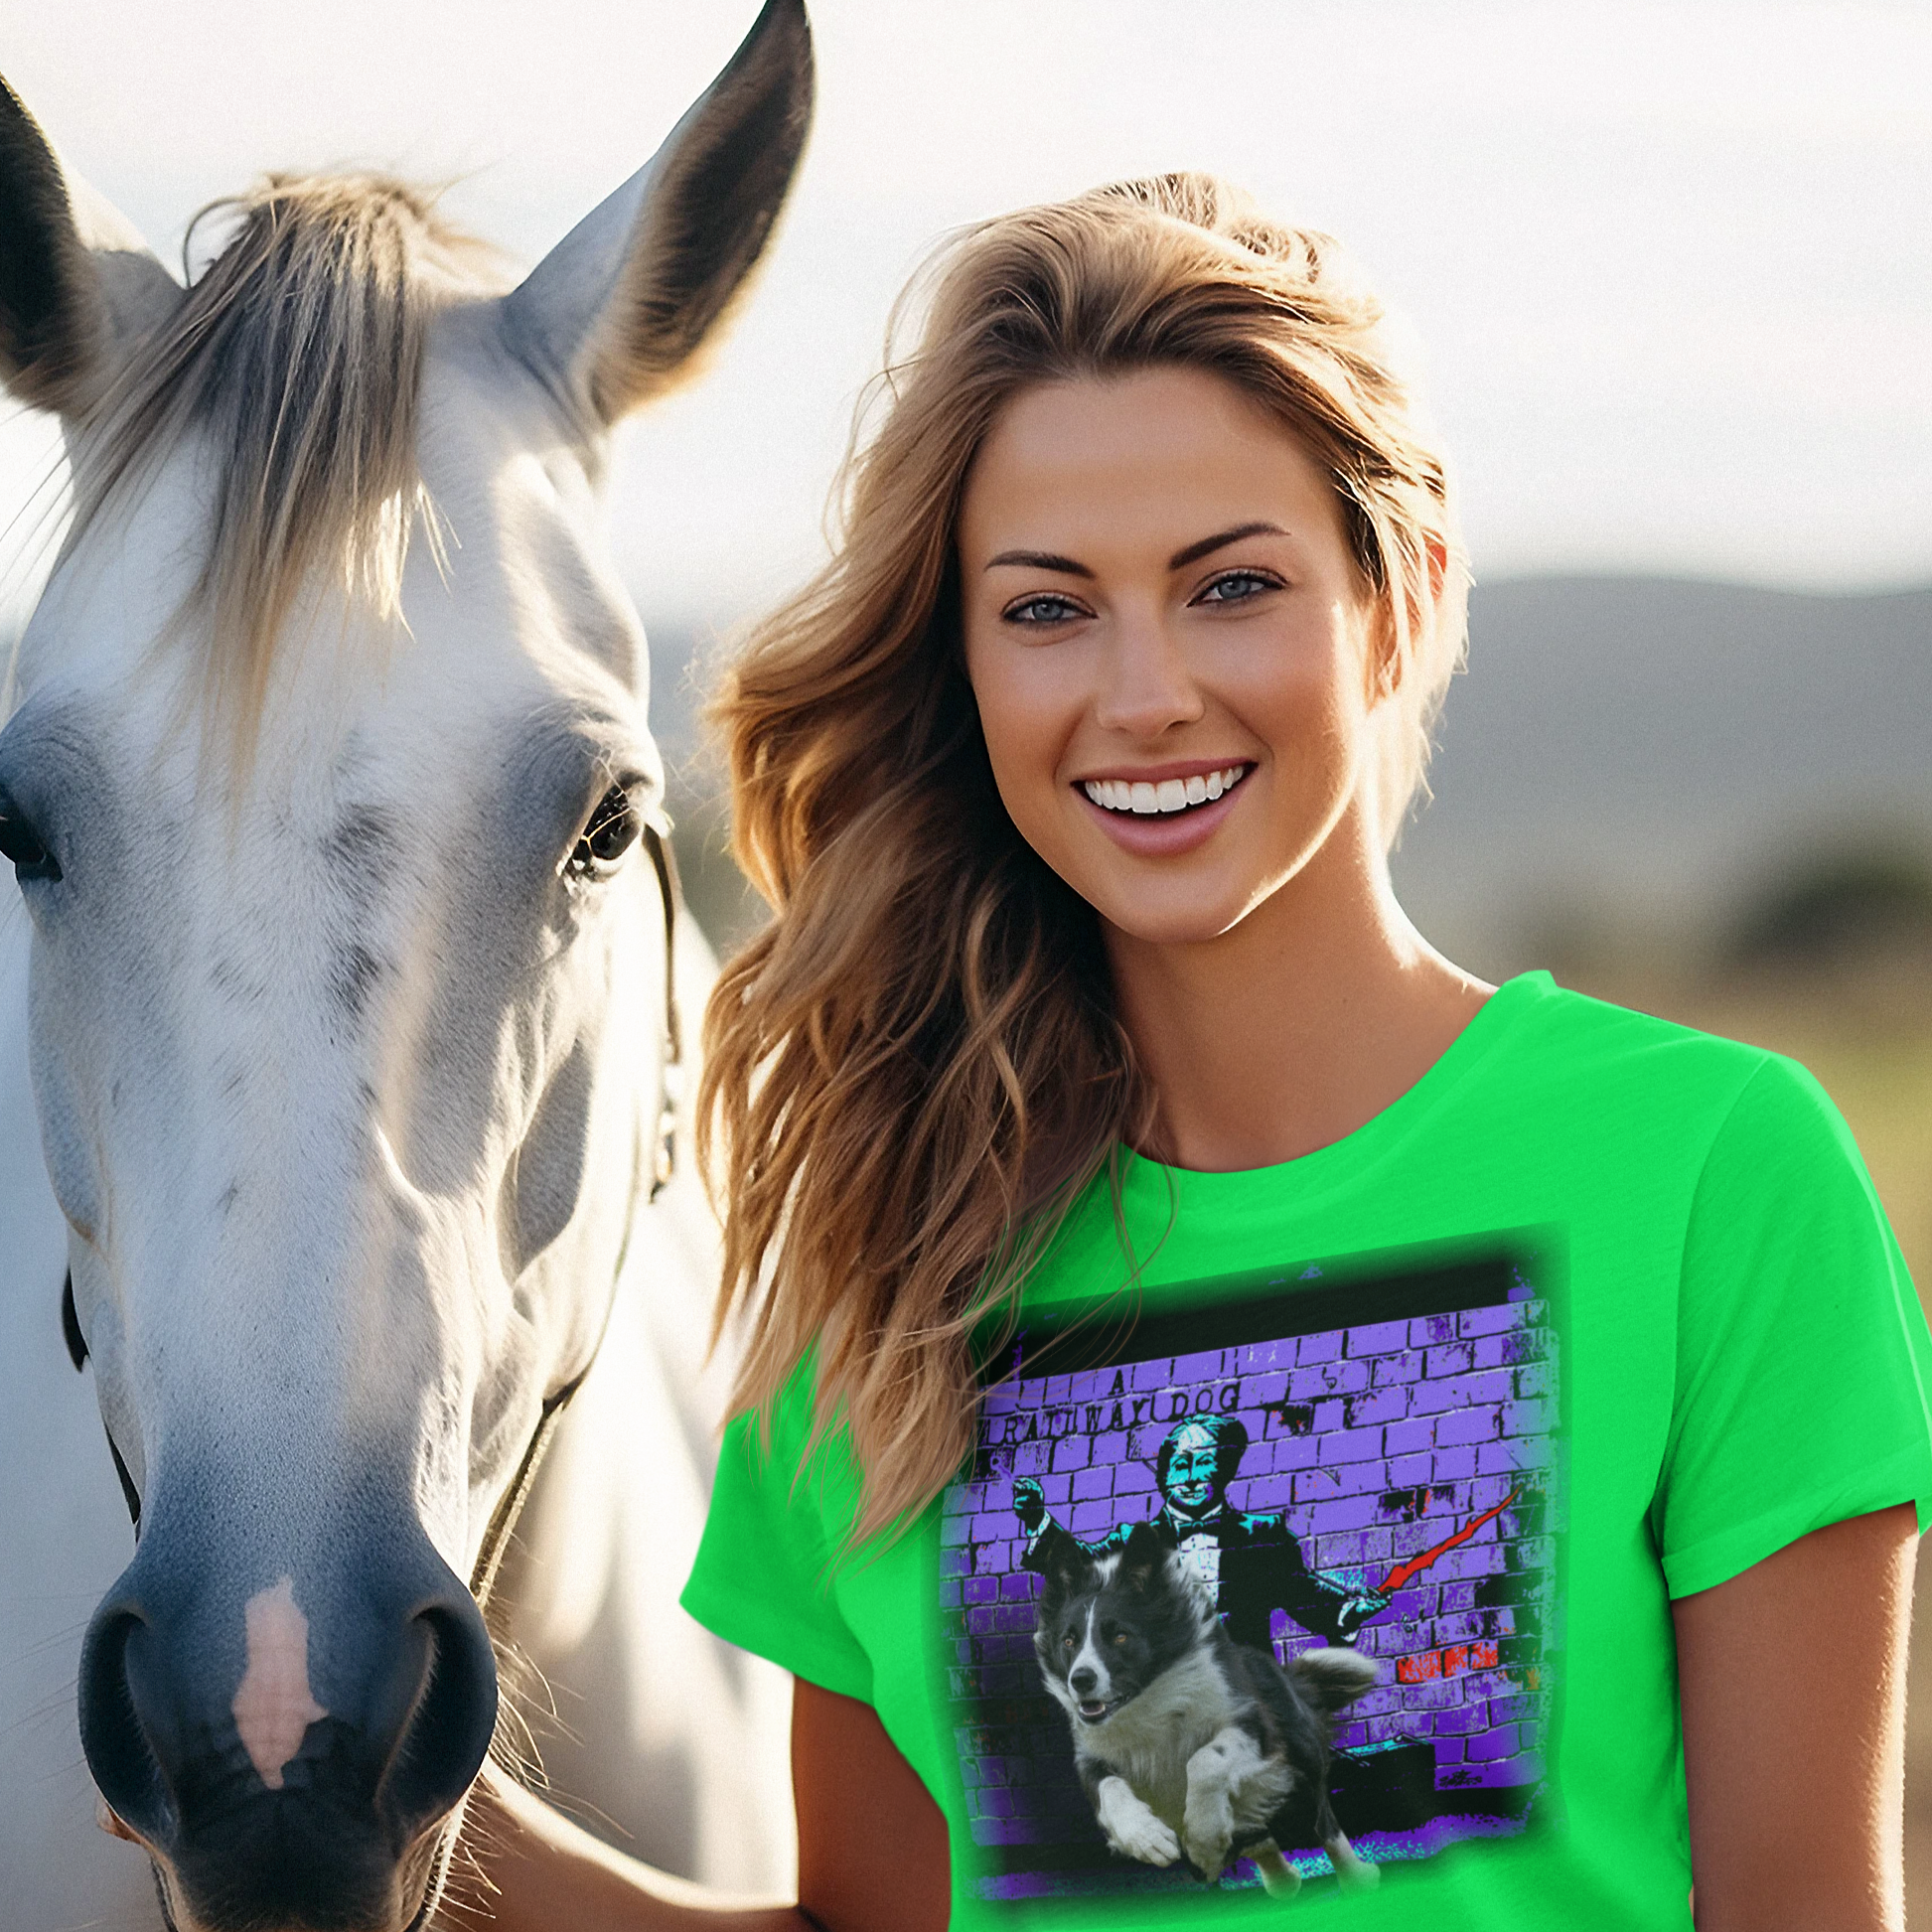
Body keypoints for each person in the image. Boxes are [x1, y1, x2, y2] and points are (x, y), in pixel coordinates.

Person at [469, 175, 1931, 1931]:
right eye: (1047, 607)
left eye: (1231, 585)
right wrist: (387, 1808)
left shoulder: (1713, 1172)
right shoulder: (884, 1259)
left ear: (1399, 595)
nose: (1144, 691)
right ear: (964, 662)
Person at [1014, 1415, 1389, 1649]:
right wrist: (1037, 1522)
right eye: (1180, 1464)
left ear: (1224, 1468)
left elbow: (1302, 1591)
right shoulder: (1134, 1541)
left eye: (1204, 1462)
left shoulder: (1262, 1538)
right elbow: (1079, 1567)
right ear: (1164, 1474)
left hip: (1245, 1695)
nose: (1190, 1477)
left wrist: (1346, 1610)